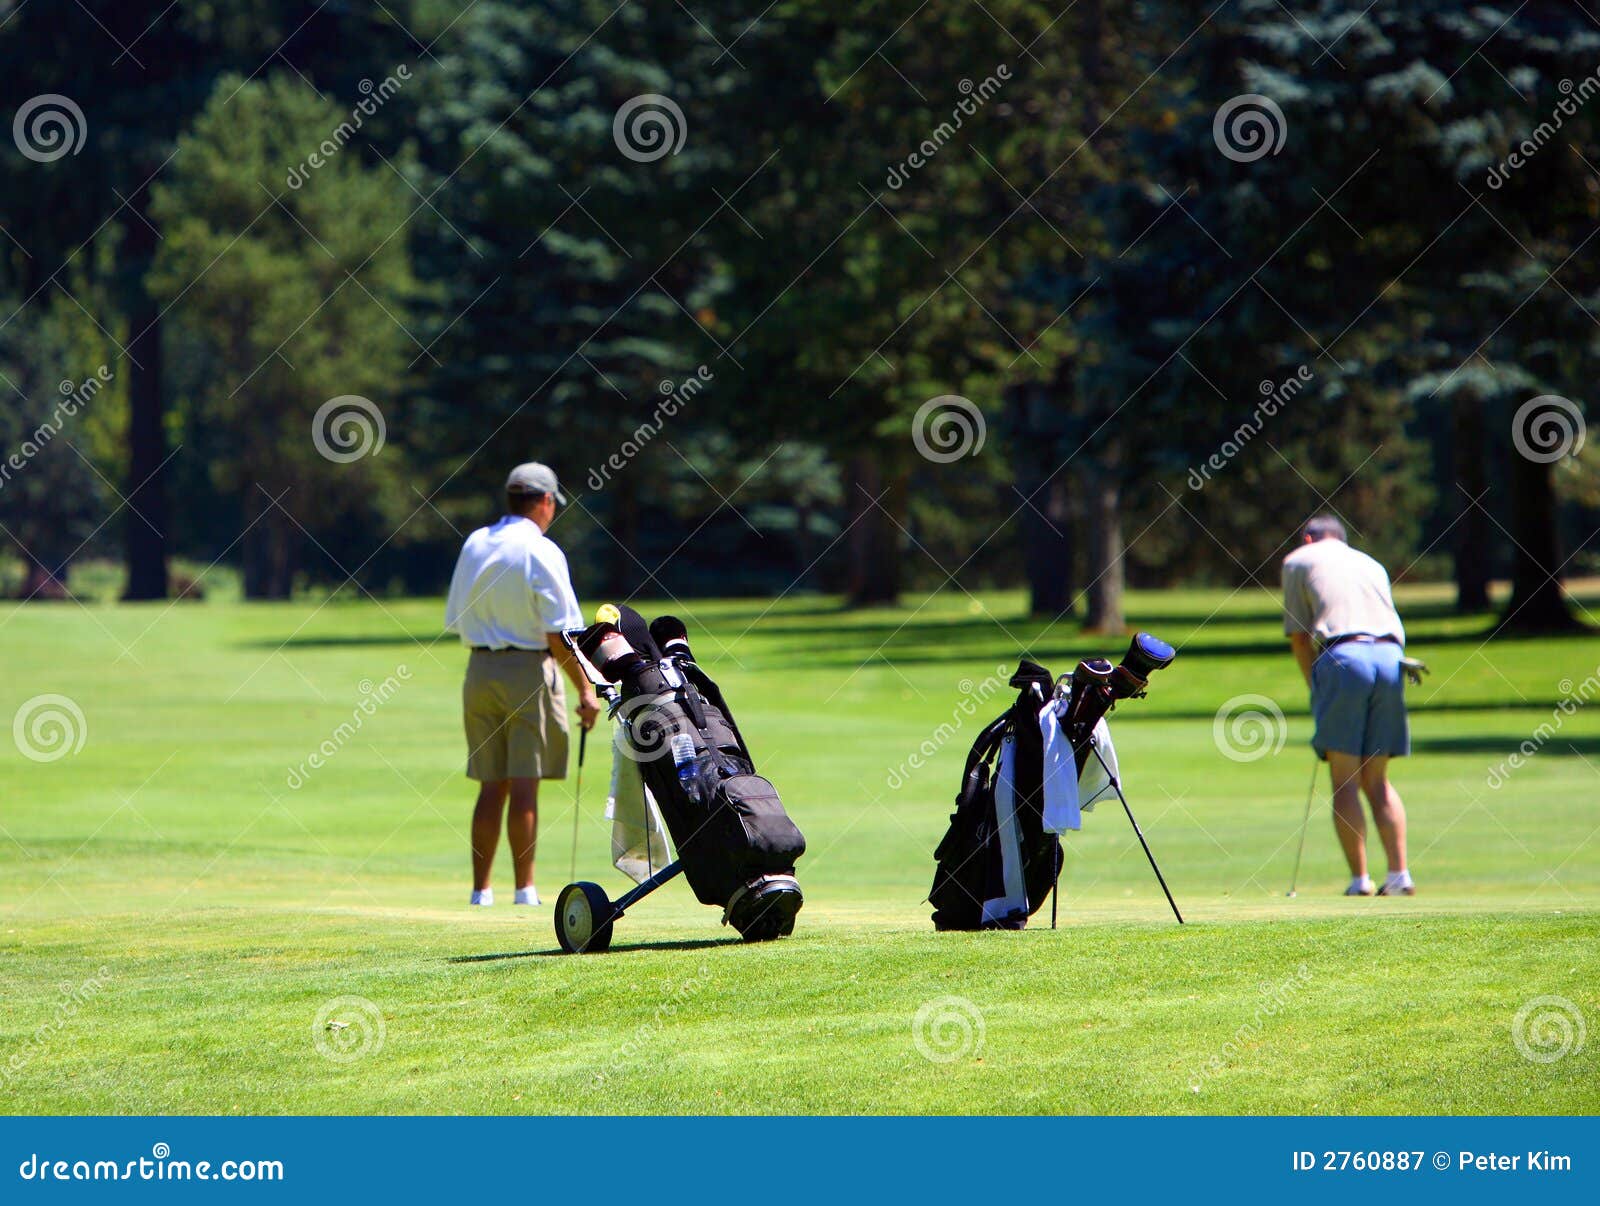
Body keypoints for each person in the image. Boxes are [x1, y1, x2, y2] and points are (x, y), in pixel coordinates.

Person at [445, 463, 600, 907]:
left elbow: (457, 615)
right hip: (528, 671)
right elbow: (559, 634)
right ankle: (525, 890)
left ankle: (480, 891)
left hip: (478, 671)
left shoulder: (476, 542)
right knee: (524, 781)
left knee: (491, 783)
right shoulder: (541, 550)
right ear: (545, 502)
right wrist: (586, 690)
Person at [1282, 515, 1415, 897]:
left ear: (1308, 538)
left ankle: (1360, 881)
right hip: (1392, 658)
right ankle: (1399, 874)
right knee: (1378, 780)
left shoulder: (1298, 560)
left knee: (1344, 779)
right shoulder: (1370, 563)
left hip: (1344, 657)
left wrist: (1315, 688)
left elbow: (1299, 637)